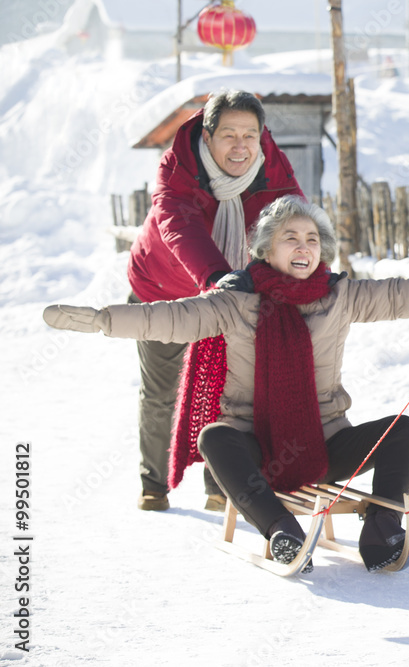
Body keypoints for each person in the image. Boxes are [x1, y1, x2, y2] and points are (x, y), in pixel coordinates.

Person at [44, 195, 409, 573]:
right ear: (266, 248)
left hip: (325, 443)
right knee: (215, 436)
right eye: (291, 237)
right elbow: (169, 317)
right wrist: (104, 319)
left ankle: (382, 532)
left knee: (403, 429)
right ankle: (282, 532)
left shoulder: (340, 296)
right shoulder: (234, 301)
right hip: (256, 449)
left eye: (312, 239)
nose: (303, 246)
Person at [127, 90, 305, 512]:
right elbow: (179, 227)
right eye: (229, 135)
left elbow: (295, 220)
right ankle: (154, 482)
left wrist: (309, 270)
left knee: (228, 393)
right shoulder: (179, 168)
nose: (241, 146)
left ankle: (217, 483)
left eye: (250, 134)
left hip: (233, 295)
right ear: (207, 137)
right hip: (164, 292)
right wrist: (216, 278)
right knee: (163, 392)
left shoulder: (270, 165)